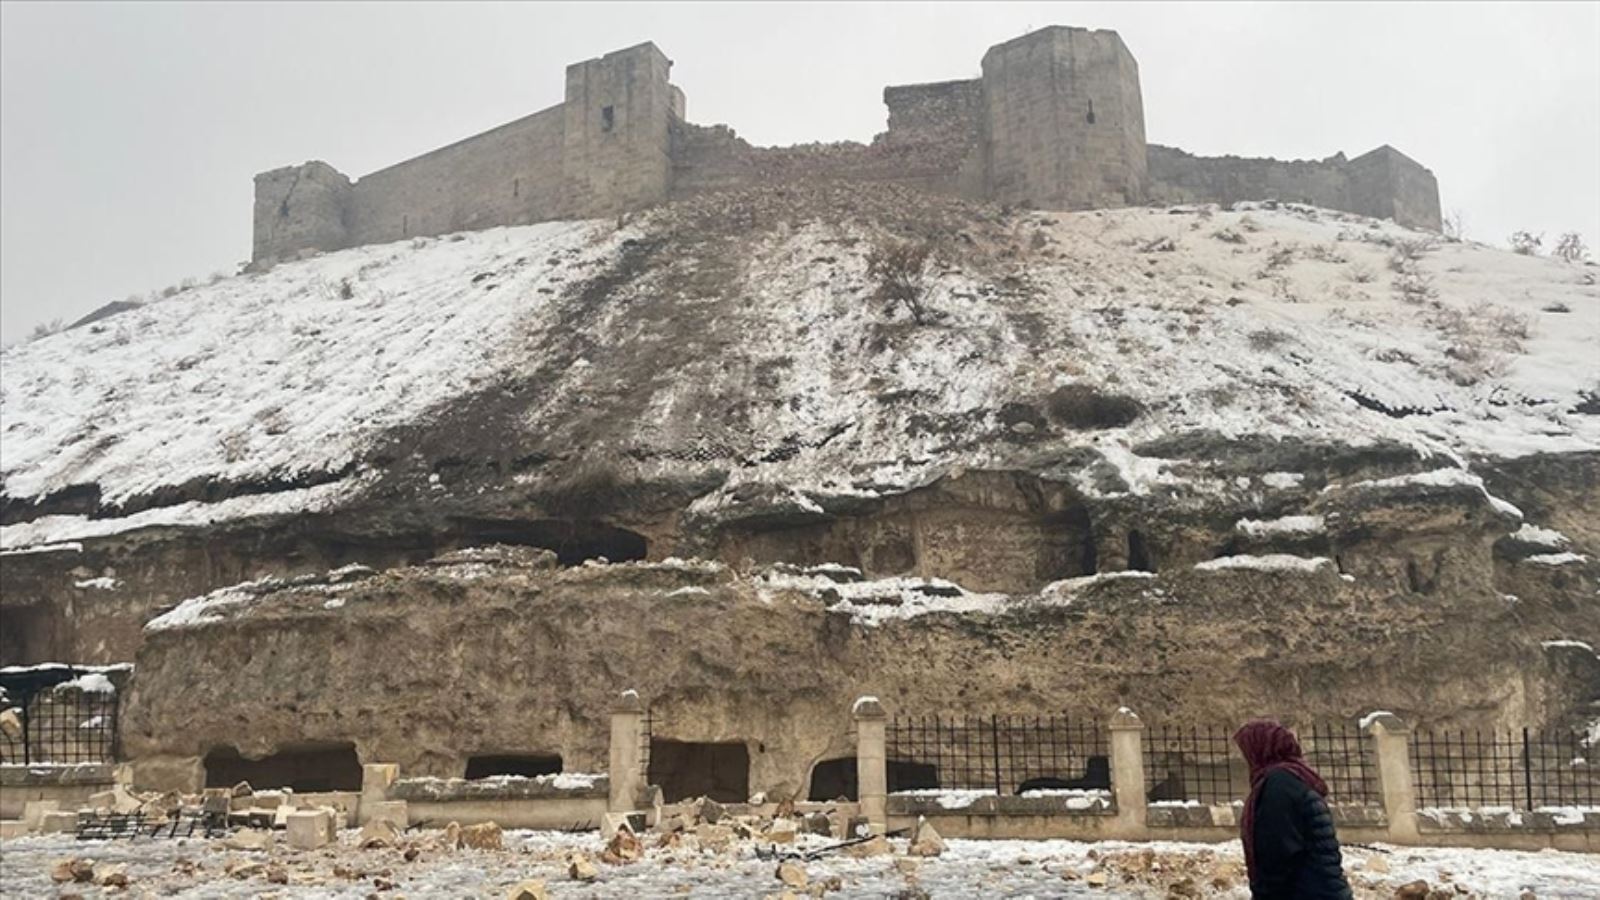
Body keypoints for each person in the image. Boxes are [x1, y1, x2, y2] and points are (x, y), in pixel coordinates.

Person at [1233, 719, 1354, 899]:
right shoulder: (1295, 776)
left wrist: (1265, 893)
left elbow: (1279, 850)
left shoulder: (1278, 785)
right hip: (1324, 889)